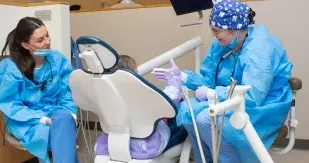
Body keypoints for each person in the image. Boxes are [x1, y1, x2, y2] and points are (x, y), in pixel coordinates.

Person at [152, 0, 293, 162]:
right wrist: (183, 77)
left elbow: (253, 96)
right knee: (188, 111)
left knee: (205, 119)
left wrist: (212, 94)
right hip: (228, 98)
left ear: (236, 29)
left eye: (217, 31)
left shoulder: (261, 50)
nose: (213, 34)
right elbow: (207, 79)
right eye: (212, 30)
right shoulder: (222, 44)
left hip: (264, 106)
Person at [0, 17, 79, 163]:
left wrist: (71, 112)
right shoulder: (12, 68)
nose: (47, 41)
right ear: (26, 45)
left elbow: (66, 92)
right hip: (25, 119)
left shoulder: (57, 60)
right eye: (40, 40)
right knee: (54, 134)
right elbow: (9, 103)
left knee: (64, 120)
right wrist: (39, 118)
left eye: (47, 35)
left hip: (54, 112)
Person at [95, 55, 187, 159]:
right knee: (181, 123)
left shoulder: (105, 95)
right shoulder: (143, 94)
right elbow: (170, 100)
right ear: (134, 74)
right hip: (144, 148)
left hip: (109, 146)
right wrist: (173, 82)